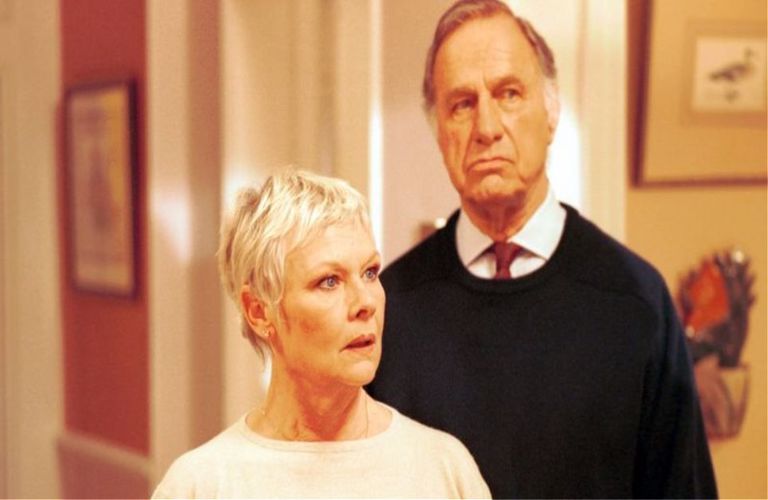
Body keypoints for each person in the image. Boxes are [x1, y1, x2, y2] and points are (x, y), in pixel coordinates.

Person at [366, 1, 718, 498]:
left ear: (551, 112)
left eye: (508, 94)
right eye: (462, 104)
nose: (487, 128)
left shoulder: (635, 301)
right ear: (438, 131)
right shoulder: (389, 309)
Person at [152, 170, 490, 499]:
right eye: (329, 281)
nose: (365, 303)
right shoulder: (201, 485)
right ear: (258, 311)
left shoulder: (444, 469)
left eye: (370, 272)